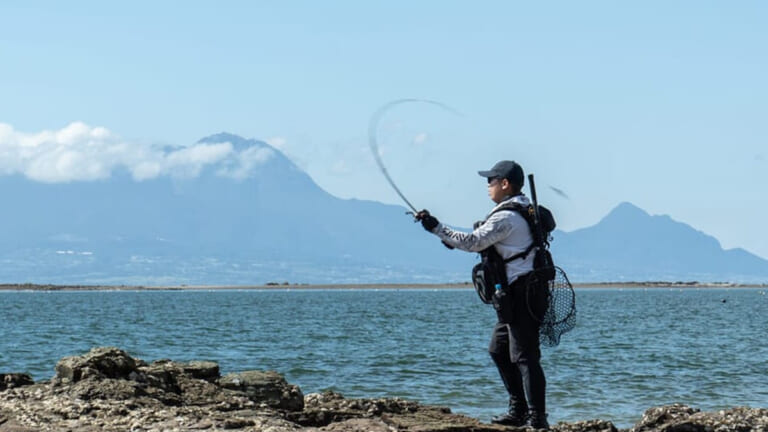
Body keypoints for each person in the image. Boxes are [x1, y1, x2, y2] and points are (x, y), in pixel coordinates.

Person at [415, 160, 549, 429]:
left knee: (525, 357)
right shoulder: (523, 208)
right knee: (499, 350)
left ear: (505, 184)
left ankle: (537, 419)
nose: (487, 186)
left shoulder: (507, 216)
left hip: (522, 294)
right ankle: (519, 410)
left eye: (491, 180)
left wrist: (435, 227)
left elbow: (472, 242)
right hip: (520, 294)